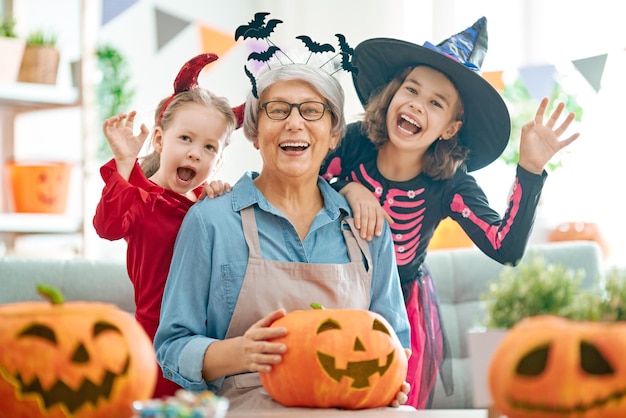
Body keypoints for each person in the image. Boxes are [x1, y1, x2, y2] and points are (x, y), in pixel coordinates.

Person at [320, 17, 579, 409]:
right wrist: (349, 188)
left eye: (435, 103)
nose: (416, 104)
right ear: (391, 96)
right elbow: (304, 183)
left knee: (387, 404)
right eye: (411, 89)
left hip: (401, 310)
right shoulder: (353, 144)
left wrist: (529, 170)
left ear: (449, 128)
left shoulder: (450, 184)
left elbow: (503, 246)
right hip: (332, 289)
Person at [153, 60, 412, 410]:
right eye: (277, 111)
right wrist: (239, 353)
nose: (294, 123)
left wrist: (391, 383)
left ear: (335, 135)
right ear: (255, 134)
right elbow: (171, 346)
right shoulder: (211, 221)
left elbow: (394, 343)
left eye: (311, 111)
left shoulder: (368, 228)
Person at [93, 53, 242, 398]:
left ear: (218, 160)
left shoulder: (211, 203)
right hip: (154, 343)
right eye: (186, 139)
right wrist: (125, 164)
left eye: (209, 147)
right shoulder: (140, 196)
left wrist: (221, 204)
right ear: (160, 140)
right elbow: (107, 226)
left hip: (209, 345)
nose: (194, 153)